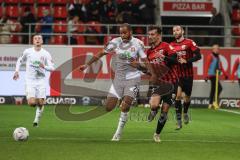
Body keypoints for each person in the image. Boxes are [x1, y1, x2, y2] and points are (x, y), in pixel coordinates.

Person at [79, 23, 156, 141]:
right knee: (108, 107)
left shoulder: (138, 43)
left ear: (130, 32)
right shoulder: (115, 42)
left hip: (133, 78)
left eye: (125, 32)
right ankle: (122, 100)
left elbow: (145, 61)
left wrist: (151, 73)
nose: (122, 35)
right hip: (118, 79)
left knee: (125, 106)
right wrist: (87, 65)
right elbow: (101, 53)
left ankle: (118, 133)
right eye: (121, 33)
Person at [143, 26, 178, 142]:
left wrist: (164, 57)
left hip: (171, 82)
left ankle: (157, 134)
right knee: (153, 105)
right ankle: (153, 110)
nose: (150, 37)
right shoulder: (148, 52)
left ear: (158, 35)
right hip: (158, 83)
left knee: (165, 110)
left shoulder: (166, 46)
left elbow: (175, 60)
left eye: (152, 34)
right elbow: (150, 70)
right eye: (149, 34)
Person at [13, 34, 54, 127]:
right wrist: (16, 71)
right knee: (32, 103)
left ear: (42, 41)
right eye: (35, 38)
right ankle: (32, 98)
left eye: (39, 38)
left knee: (42, 103)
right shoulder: (28, 51)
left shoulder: (46, 53)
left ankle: (36, 121)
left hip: (41, 81)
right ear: (33, 41)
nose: (37, 40)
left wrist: (45, 66)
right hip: (30, 80)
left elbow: (52, 68)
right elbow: (20, 60)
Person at [170, 25, 202, 130]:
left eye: (178, 30)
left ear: (182, 31)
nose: (176, 32)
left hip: (188, 75)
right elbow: (170, 60)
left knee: (187, 98)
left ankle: (185, 112)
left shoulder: (189, 42)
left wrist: (187, 61)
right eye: (174, 30)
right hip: (177, 75)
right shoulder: (171, 45)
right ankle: (179, 121)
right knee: (177, 96)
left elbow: (198, 56)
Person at [205, 44, 228, 109]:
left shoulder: (218, 57)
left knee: (213, 89)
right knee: (219, 88)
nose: (217, 50)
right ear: (213, 49)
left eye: (218, 48)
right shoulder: (210, 56)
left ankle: (211, 103)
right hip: (212, 75)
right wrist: (206, 76)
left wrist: (225, 74)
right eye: (216, 48)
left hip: (216, 75)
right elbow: (206, 66)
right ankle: (214, 102)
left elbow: (221, 67)